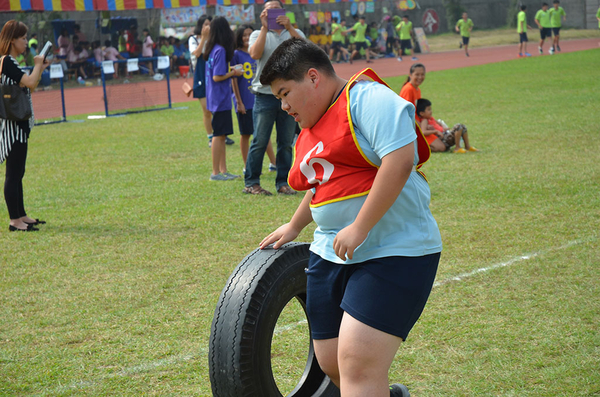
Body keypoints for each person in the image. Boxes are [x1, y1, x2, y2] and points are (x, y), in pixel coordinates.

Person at [259, 38, 441, 397]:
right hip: (331, 253)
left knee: (357, 362)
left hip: (394, 251)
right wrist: (296, 225)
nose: (282, 106)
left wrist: (360, 226)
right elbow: (324, 183)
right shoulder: (312, 126)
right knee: (331, 362)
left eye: (284, 93)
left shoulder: (368, 99)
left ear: (313, 77)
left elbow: (400, 160)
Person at [243, 0, 305, 196]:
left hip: (288, 96)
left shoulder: (291, 32)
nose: (271, 14)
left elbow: (305, 50)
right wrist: (263, 28)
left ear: (283, 11)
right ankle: (252, 182)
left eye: (275, 10)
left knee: (286, 142)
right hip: (264, 95)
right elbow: (254, 54)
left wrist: (289, 27)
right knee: (260, 141)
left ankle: (283, 183)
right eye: (267, 11)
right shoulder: (257, 33)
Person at [1, 20, 50, 231]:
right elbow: (29, 83)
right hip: (12, 126)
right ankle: (15, 221)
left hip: (18, 124)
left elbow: (30, 84)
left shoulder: (11, 62)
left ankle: (21, 214)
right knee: (13, 173)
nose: (25, 43)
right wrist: (38, 64)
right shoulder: (6, 61)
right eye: (22, 38)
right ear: (12, 40)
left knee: (18, 172)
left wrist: (39, 68)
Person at [231, 25, 277, 171]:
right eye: (244, 35)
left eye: (250, 34)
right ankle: (246, 166)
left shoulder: (258, 51)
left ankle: (274, 163)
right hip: (245, 101)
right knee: (246, 134)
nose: (247, 38)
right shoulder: (236, 54)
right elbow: (234, 80)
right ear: (239, 37)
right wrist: (239, 102)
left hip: (259, 98)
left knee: (263, 132)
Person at [203, 17, 243, 181]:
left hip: (216, 98)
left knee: (222, 135)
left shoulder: (212, 49)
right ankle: (215, 172)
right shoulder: (220, 50)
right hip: (220, 99)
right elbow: (217, 77)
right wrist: (234, 73)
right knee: (218, 136)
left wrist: (230, 69)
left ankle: (223, 170)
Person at [189, 15, 233, 147]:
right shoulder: (193, 39)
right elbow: (197, 54)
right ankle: (211, 136)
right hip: (201, 77)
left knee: (216, 109)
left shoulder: (216, 42)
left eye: (210, 24)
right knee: (206, 110)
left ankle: (220, 135)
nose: (208, 27)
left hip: (211, 75)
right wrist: (203, 38)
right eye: (205, 24)